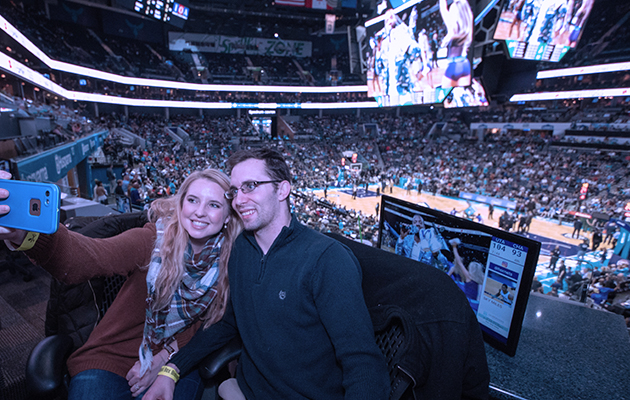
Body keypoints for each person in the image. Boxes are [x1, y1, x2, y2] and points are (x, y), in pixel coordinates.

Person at [145, 148, 389, 400]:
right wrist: (171, 369)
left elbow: (362, 361)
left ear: (282, 190)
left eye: (250, 186)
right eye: (235, 191)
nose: (239, 200)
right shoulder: (240, 249)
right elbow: (229, 323)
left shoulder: (327, 259)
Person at [0, 169, 241, 400]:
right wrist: (25, 235)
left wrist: (163, 361)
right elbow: (87, 257)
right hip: (113, 358)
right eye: (192, 200)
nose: (200, 212)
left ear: (228, 216)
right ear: (180, 204)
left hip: (179, 359)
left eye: (214, 205)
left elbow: (206, 325)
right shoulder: (150, 240)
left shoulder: (231, 262)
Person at [439, 0, 473, 87]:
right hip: (465, 63)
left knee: (447, 95)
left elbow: (443, 9)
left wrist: (444, 42)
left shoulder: (453, 28)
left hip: (453, 65)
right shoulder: (468, 19)